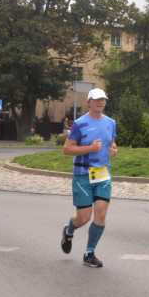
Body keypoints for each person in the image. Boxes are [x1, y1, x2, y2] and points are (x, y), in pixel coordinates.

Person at [60, 88, 117, 268]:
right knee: (83, 217)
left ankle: (89, 253)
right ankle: (69, 231)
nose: (101, 103)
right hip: (83, 174)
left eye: (103, 100)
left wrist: (113, 150)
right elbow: (67, 149)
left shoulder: (111, 123)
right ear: (89, 102)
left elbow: (111, 142)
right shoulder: (79, 124)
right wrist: (90, 149)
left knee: (101, 213)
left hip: (103, 174)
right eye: (97, 99)